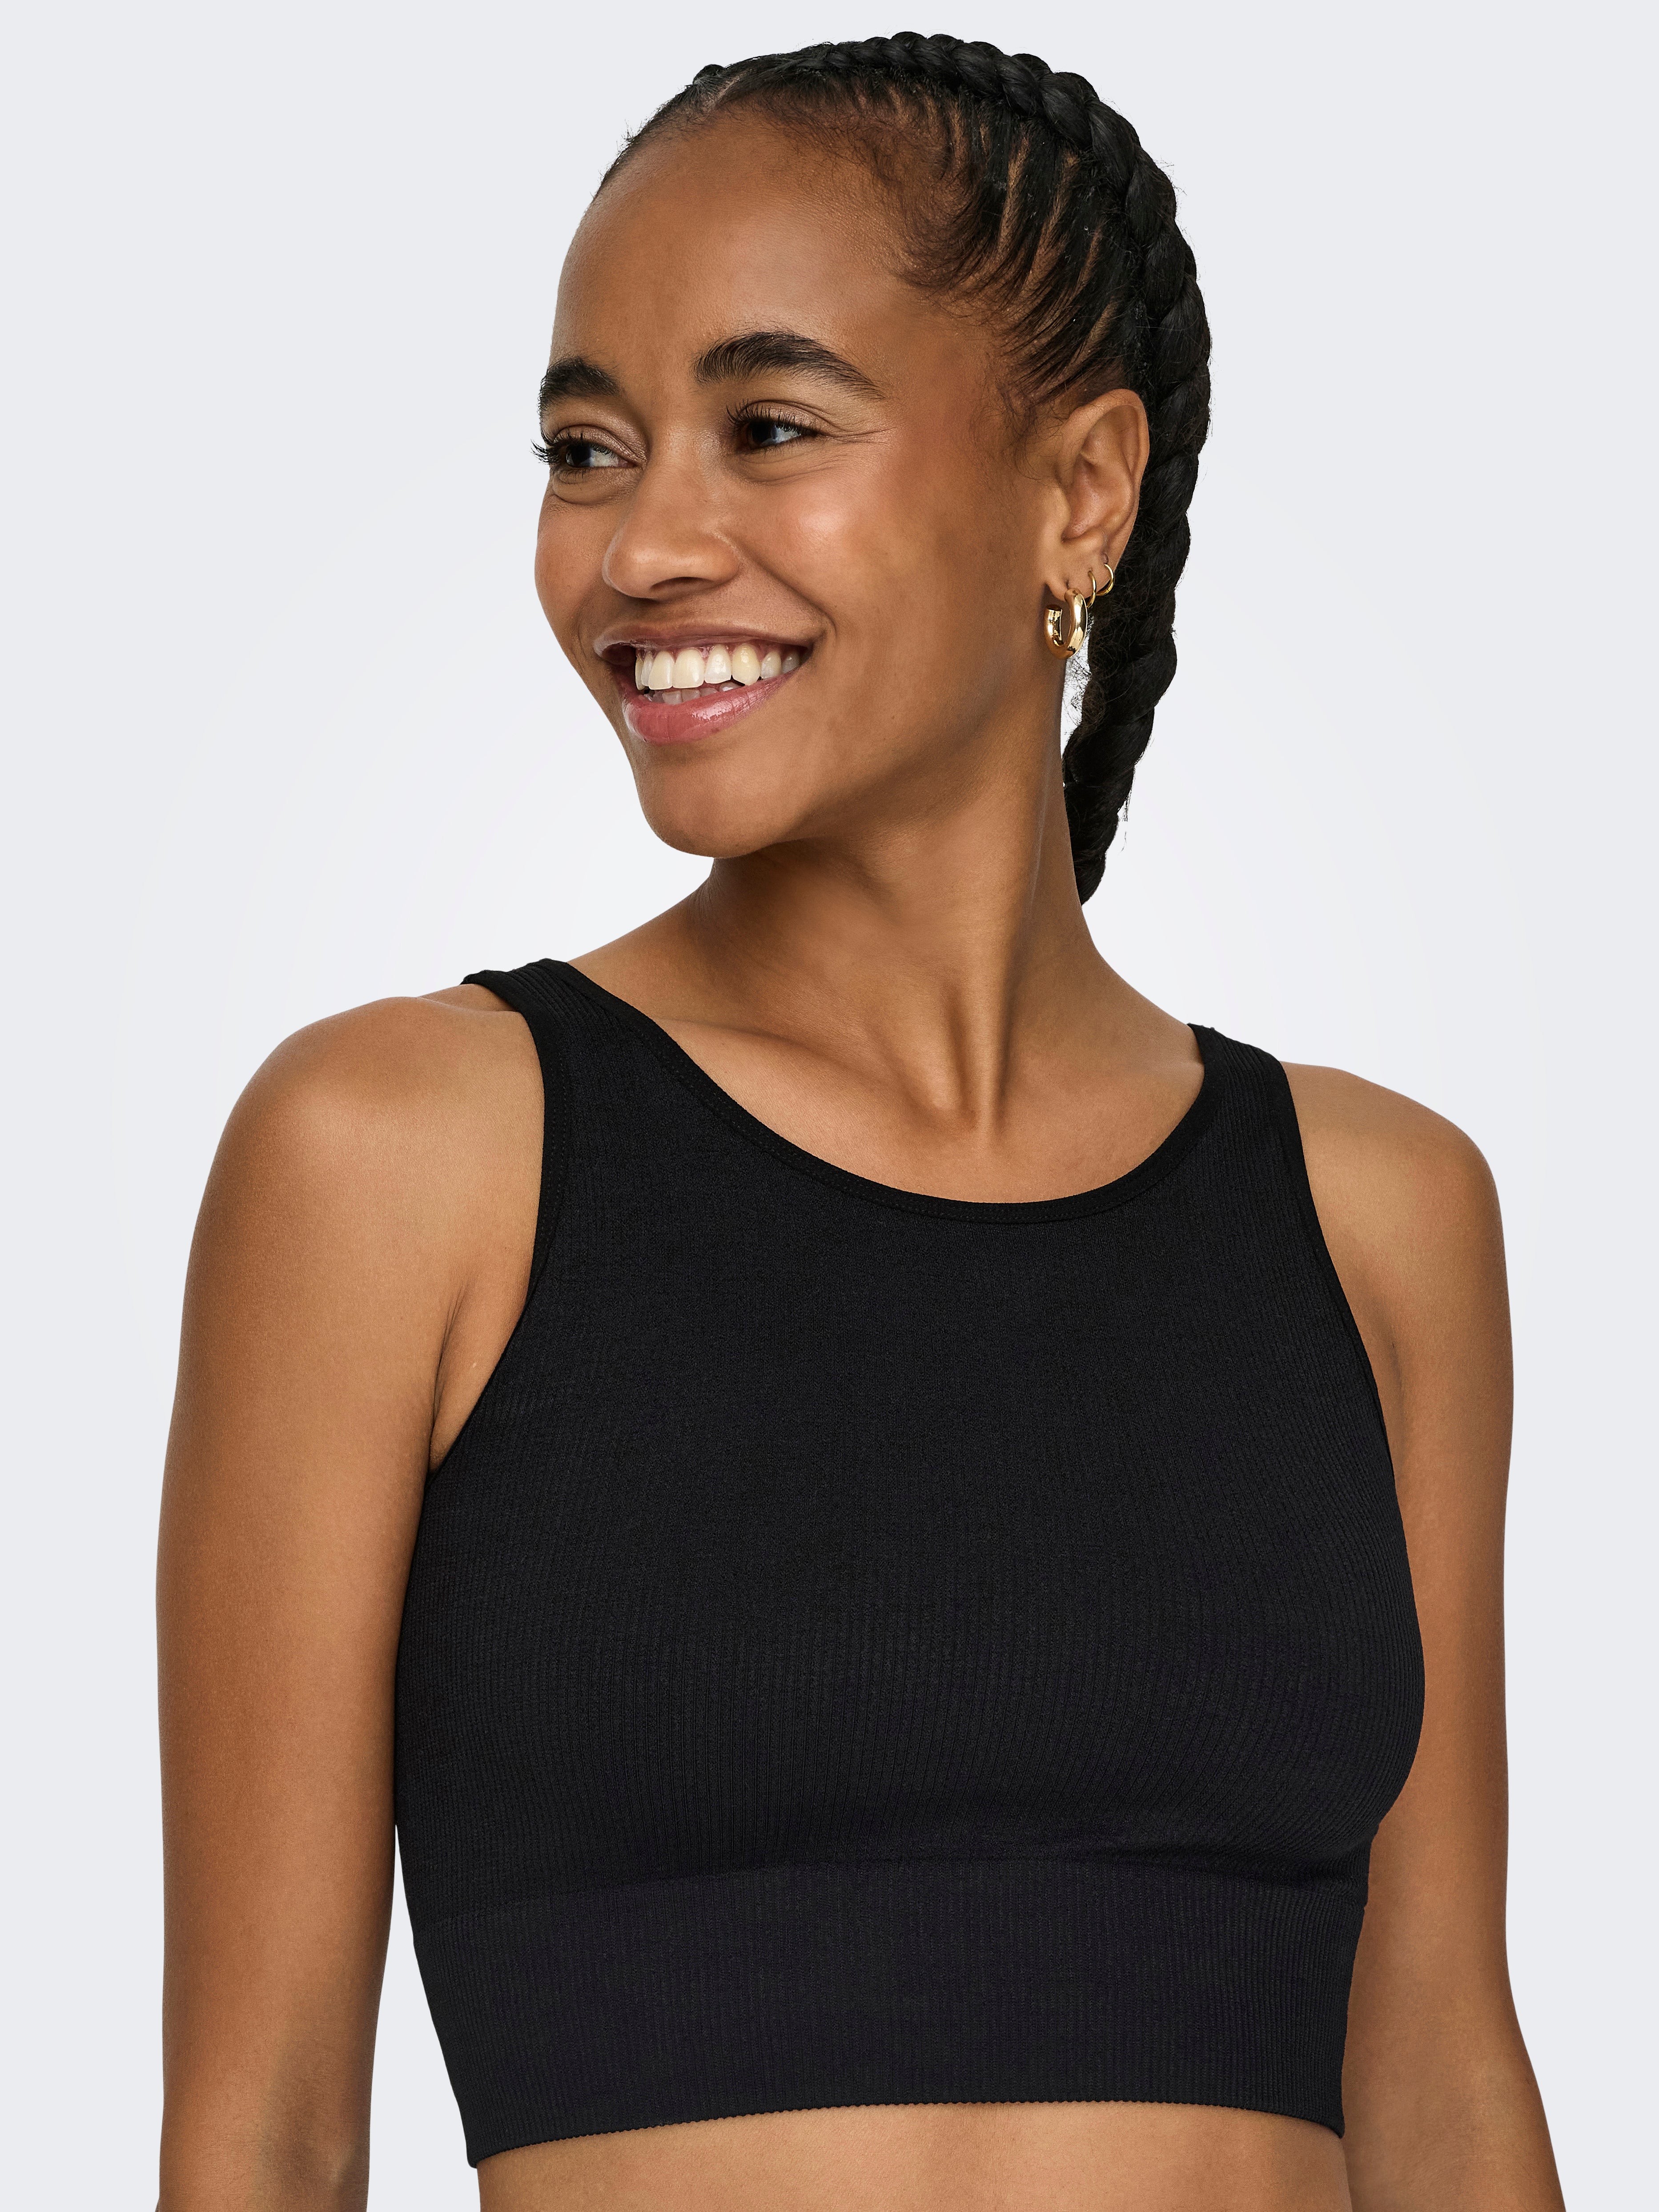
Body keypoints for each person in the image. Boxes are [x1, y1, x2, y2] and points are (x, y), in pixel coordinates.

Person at [156, 34, 1565, 2212]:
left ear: (1080, 493)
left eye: (771, 426)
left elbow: (1447, 2077)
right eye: (587, 449)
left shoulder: (1379, 1212)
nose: (643, 544)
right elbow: (263, 2134)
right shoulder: (405, 1155)